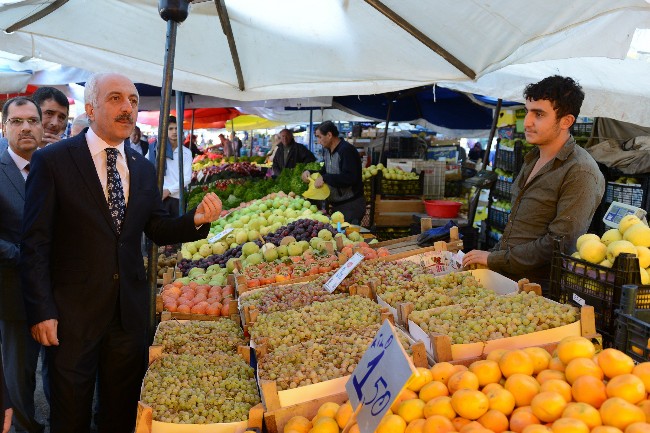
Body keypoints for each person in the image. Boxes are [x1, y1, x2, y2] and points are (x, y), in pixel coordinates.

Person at [19, 72, 222, 433]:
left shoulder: (143, 169)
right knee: (70, 413)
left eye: (132, 100)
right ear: (90, 107)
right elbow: (35, 243)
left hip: (128, 314)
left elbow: (155, 226)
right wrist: (41, 310)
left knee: (121, 411)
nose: (127, 107)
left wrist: (195, 220)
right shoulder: (53, 161)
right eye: (116, 99)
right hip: (72, 315)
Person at [463, 75, 605, 287]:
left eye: (539, 114)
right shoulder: (532, 158)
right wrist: (490, 257)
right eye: (527, 111)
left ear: (566, 121)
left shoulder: (580, 171)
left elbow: (559, 244)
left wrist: (494, 259)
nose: (527, 122)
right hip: (506, 281)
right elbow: (518, 230)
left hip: (540, 293)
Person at [0, 97, 44, 433]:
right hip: (13, 292)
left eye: (32, 120)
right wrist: (21, 255)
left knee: (60, 372)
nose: (25, 127)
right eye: (16, 122)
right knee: (19, 375)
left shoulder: (53, 166)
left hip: (59, 291)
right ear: (4, 128)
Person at [301, 121, 365, 224]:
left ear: (329, 135)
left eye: (319, 137)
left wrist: (325, 178)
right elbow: (325, 171)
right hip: (337, 205)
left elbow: (350, 177)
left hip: (351, 205)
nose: (318, 141)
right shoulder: (327, 151)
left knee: (347, 237)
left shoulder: (346, 150)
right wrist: (309, 172)